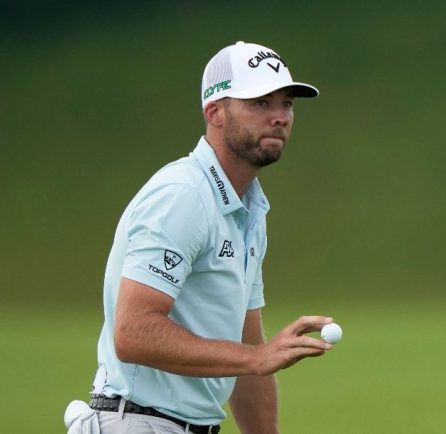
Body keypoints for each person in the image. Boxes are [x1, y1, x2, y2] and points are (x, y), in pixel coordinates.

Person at [64, 41, 333, 434]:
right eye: (260, 102)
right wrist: (255, 358)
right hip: (137, 423)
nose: (279, 116)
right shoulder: (183, 195)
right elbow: (133, 333)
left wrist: (255, 360)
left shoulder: (250, 212)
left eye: (286, 103)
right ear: (215, 112)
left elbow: (247, 356)